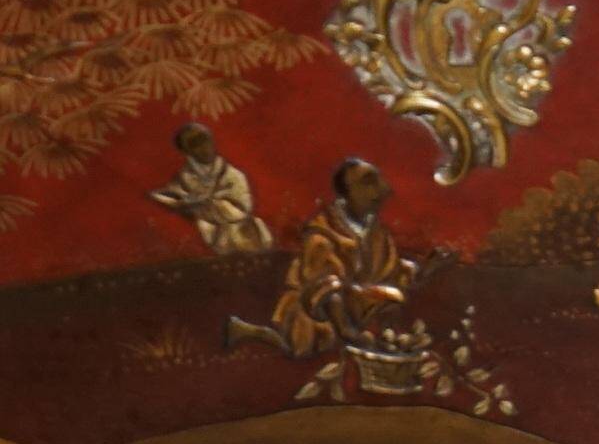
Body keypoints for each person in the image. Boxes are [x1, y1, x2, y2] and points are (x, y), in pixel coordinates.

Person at [227, 158, 425, 359]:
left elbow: (387, 271)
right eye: (368, 182)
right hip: (315, 311)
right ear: (348, 192)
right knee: (305, 346)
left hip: (354, 307)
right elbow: (325, 285)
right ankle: (252, 332)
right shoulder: (323, 233)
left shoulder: (378, 233)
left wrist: (417, 271)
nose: (382, 189)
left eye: (378, 181)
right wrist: (347, 331)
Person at [150, 121, 272, 255]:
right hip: (203, 232)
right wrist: (183, 203)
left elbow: (243, 208)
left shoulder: (232, 175)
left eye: (206, 142)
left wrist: (212, 203)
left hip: (240, 233)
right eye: (195, 146)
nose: (204, 149)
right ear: (187, 152)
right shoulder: (185, 177)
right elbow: (175, 196)